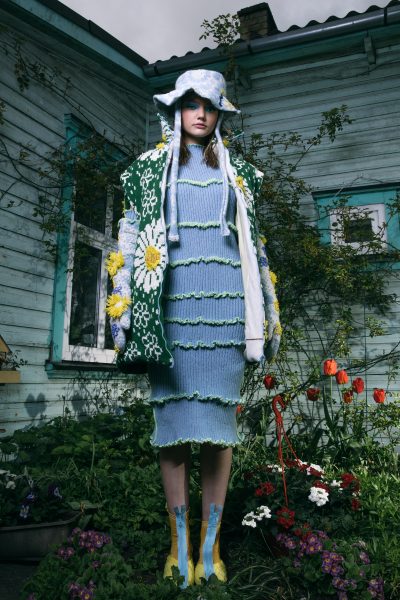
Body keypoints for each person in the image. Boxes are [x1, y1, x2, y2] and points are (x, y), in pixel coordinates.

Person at [106, 69, 280, 587]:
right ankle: (178, 545)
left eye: (209, 104)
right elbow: (128, 241)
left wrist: (267, 315)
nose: (200, 113)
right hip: (169, 317)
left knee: (218, 434)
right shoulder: (146, 170)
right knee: (174, 431)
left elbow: (255, 248)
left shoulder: (241, 175)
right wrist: (123, 313)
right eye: (190, 103)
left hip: (225, 316)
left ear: (220, 112)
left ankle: (211, 546)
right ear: (175, 110)